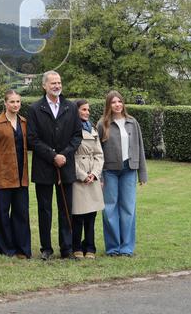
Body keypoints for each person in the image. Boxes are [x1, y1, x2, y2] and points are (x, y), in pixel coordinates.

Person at [27, 70, 83, 260]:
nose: (57, 86)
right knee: (45, 209)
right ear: (44, 86)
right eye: (53, 83)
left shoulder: (71, 107)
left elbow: (77, 135)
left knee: (65, 208)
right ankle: (46, 248)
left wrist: (64, 155)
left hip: (65, 165)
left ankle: (66, 248)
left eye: (59, 82)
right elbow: (32, 139)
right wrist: (52, 156)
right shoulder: (35, 109)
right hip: (43, 166)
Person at [97, 90, 148, 257]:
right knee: (109, 209)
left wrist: (142, 174)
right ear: (108, 105)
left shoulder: (132, 122)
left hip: (129, 170)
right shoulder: (102, 124)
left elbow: (140, 147)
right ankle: (113, 247)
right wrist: (100, 176)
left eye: (119, 101)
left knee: (128, 208)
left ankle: (126, 248)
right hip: (109, 171)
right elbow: (98, 151)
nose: (117, 105)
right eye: (113, 102)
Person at [0, 90, 31, 258]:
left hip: (21, 176)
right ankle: (5, 248)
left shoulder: (24, 122)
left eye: (18, 101)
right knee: (2, 214)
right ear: (5, 103)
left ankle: (22, 249)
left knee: (21, 213)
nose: (15, 105)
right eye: (12, 102)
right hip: (2, 176)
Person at [71, 100, 104, 259]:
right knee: (78, 215)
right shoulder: (70, 129)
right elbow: (69, 155)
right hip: (78, 176)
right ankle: (76, 246)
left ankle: (90, 247)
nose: (87, 112)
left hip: (93, 176)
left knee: (91, 215)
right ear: (76, 110)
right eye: (83, 109)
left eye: (88, 110)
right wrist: (83, 175)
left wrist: (95, 173)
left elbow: (99, 154)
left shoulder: (93, 129)